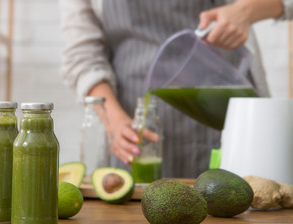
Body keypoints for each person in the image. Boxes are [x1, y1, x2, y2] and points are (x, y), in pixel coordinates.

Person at [59, 0, 292, 178]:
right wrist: (114, 120)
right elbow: (82, 55)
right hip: (137, 123)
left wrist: (246, 11)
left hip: (228, 104)